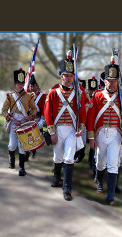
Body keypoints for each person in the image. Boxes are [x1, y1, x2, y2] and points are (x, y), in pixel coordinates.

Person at [87, 57, 122, 206]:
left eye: (114, 80)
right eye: (109, 80)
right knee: (100, 163)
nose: (111, 83)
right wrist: (91, 137)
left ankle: (110, 196)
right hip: (100, 133)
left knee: (113, 164)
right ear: (104, 81)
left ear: (117, 81)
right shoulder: (98, 96)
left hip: (116, 135)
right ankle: (99, 180)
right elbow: (91, 116)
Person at [44, 50, 87, 201]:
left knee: (69, 158)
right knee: (57, 157)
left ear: (73, 77)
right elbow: (47, 113)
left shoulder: (78, 93)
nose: (68, 79)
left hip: (71, 130)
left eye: (70, 76)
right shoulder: (53, 93)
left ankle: (67, 189)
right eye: (65, 76)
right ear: (61, 76)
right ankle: (56, 179)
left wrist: (81, 127)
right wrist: (52, 132)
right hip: (57, 129)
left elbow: (82, 112)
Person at [1, 68, 37, 176]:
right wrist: (13, 119)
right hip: (14, 122)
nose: (20, 85)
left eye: (22, 83)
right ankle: (11, 158)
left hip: (24, 122)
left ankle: (21, 168)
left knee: (22, 146)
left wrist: (30, 117)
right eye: (18, 83)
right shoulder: (10, 96)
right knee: (12, 145)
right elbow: (3, 110)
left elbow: (34, 109)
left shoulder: (29, 96)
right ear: (15, 84)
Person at [25, 73, 47, 161]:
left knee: (35, 138)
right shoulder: (27, 96)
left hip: (37, 119)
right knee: (27, 137)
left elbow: (43, 110)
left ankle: (33, 152)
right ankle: (26, 155)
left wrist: (41, 120)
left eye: (33, 86)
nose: (32, 87)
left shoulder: (42, 96)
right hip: (29, 118)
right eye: (30, 86)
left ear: (36, 86)